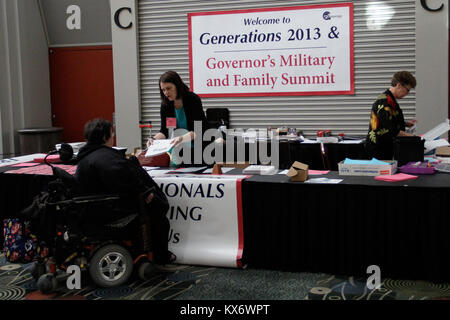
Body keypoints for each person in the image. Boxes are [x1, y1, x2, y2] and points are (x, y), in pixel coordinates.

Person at [75, 118, 176, 268]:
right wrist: (145, 193)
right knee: (157, 213)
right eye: (111, 133)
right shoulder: (106, 158)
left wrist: (134, 162)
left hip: (91, 209)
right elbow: (125, 180)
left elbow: (118, 172)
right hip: (110, 210)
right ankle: (160, 256)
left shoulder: (87, 156)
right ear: (104, 137)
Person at [146, 70, 208, 165]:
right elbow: (165, 131)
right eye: (163, 90)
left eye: (169, 88)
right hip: (178, 151)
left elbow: (198, 131)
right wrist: (153, 140)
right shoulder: (166, 105)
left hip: (198, 151)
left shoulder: (193, 100)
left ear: (177, 86)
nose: (166, 93)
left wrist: (182, 138)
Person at [365, 71, 417, 160]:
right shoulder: (384, 102)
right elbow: (389, 129)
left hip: (386, 146)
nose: (407, 93)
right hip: (379, 149)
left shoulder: (391, 100)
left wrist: (405, 124)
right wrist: (413, 137)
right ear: (399, 85)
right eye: (407, 90)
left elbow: (389, 119)